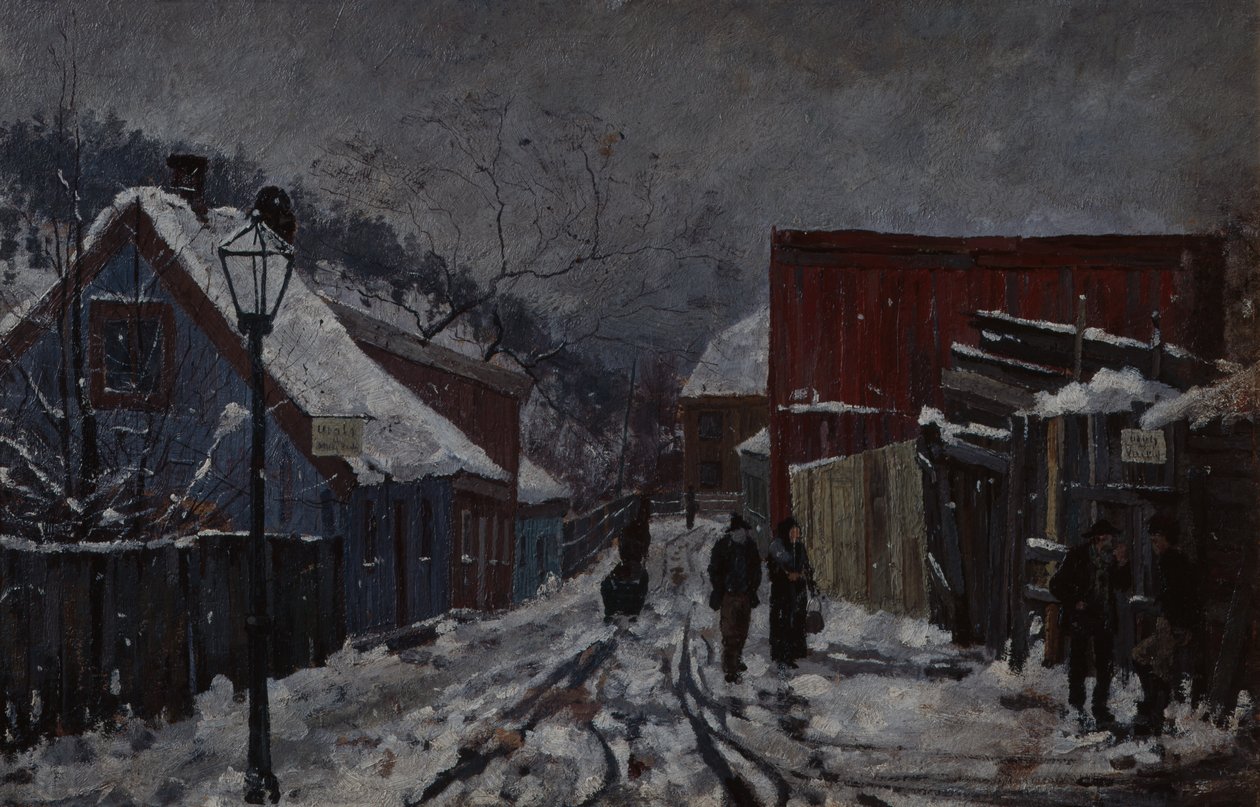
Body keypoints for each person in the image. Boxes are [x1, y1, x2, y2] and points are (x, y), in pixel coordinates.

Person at [1048, 518, 1131, 725]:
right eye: (1107, 538)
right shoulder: (1077, 556)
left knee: (1105, 664)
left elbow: (1124, 585)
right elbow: (1056, 585)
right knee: (1078, 662)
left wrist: (1123, 564)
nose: (1110, 543)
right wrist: (1074, 600)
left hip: (1103, 617)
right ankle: (1076, 705)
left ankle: (1100, 708)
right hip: (1082, 617)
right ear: (1097, 539)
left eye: (1111, 539)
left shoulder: (1112, 559)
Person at [1132, 514, 1201, 735]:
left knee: (1158, 668)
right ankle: (1152, 707)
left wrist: (1180, 626)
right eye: (1152, 541)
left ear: (1167, 537)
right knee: (1142, 658)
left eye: (1157, 540)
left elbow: (1182, 597)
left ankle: (1154, 714)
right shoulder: (1170, 560)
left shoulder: (1173, 560)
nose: (1155, 546)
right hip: (1169, 622)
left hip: (1172, 624)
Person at [708, 512, 762, 683]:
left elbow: (756, 570)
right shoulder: (723, 546)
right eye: (738, 531)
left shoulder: (750, 547)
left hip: (745, 595)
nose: (740, 534)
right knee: (730, 632)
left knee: (742, 631)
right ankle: (731, 668)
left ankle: (736, 659)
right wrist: (720, 588)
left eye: (742, 531)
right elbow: (714, 569)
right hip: (729, 595)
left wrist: (752, 588)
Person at [767, 516, 815, 670]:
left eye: (797, 532)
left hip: (798, 590)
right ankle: (783, 655)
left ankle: (795, 651)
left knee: (798, 619)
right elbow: (772, 570)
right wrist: (787, 575)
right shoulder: (777, 548)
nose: (796, 534)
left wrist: (808, 580)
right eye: (793, 531)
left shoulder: (799, 547)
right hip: (782, 591)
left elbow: (806, 566)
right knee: (784, 621)